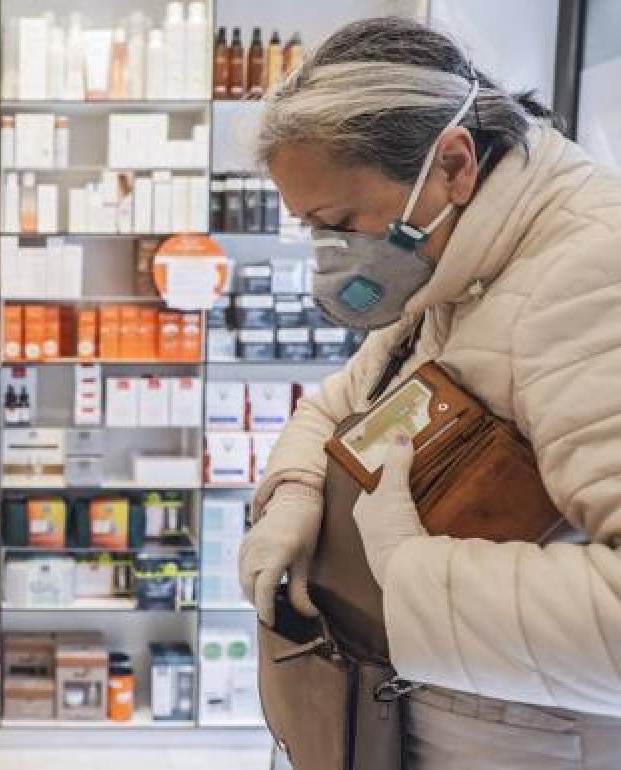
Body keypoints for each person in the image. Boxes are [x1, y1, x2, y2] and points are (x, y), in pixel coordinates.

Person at [237, 17, 621, 770]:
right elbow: (342, 400)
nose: (331, 255)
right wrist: (294, 493)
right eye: (311, 228)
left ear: (453, 165)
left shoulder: (590, 277)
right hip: (409, 721)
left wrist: (408, 566)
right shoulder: (455, 262)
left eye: (340, 222)